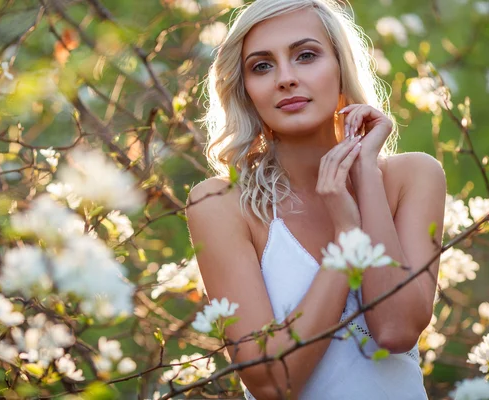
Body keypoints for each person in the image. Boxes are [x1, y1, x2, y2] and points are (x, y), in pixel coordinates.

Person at [186, 0, 446, 399]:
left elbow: (395, 330)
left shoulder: (412, 178)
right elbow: (272, 382)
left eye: (306, 56)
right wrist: (346, 238)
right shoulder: (220, 205)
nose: (285, 78)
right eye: (262, 66)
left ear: (341, 68)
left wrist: (366, 176)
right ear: (245, 89)